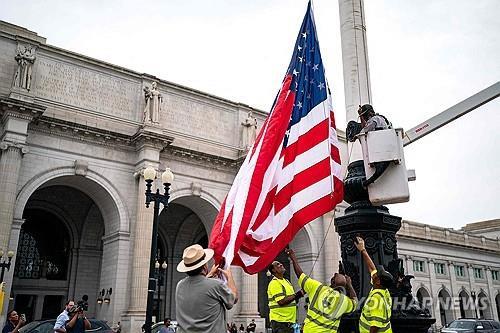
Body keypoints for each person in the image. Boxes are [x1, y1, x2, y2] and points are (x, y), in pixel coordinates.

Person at [286, 249, 357, 333]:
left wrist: (293, 258)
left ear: (332, 282)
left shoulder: (318, 288)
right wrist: (349, 285)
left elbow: (300, 275)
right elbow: (355, 302)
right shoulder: (343, 301)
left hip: (310, 330)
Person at [175, 244, 238, 333]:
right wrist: (229, 276)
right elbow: (233, 299)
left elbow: (199, 289)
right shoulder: (215, 285)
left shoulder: (180, 286)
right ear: (204, 266)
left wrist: (208, 276)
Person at [355, 236, 394, 333]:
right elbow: (371, 268)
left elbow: (375, 327)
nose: (375, 273)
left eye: (377, 274)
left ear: (378, 281)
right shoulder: (383, 290)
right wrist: (363, 250)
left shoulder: (377, 298)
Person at [357, 104, 393, 187]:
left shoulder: (375, 119)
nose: (365, 118)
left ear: (369, 113)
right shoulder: (381, 118)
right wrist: (361, 116)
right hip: (385, 147)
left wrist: (357, 136)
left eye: (365, 116)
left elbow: (364, 131)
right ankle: (368, 181)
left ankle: (368, 182)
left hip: (379, 148)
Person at [267, 259, 304, 333]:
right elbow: (281, 301)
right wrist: (298, 294)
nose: (281, 265)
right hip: (280, 322)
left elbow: (292, 299)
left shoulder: (287, 281)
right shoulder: (275, 283)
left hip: (289, 322)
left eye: (280, 263)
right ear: (273, 270)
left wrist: (299, 295)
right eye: (277, 264)